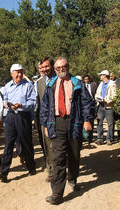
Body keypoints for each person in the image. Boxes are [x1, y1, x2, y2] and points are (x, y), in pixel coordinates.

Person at [40, 57, 94, 205]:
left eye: (63, 67)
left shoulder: (78, 84)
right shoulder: (51, 85)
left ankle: (72, 178)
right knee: (58, 158)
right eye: (57, 68)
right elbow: (45, 106)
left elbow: (87, 103)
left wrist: (88, 120)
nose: (60, 70)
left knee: (74, 155)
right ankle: (57, 193)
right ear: (55, 70)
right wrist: (45, 124)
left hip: (75, 122)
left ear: (68, 67)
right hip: (57, 123)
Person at [0, 64, 36, 182]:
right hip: (10, 117)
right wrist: (6, 103)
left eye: (21, 72)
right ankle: (4, 172)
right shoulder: (8, 86)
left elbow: (33, 103)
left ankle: (31, 167)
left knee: (26, 143)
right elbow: (5, 99)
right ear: (11, 74)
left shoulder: (28, 86)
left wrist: (22, 105)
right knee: (8, 144)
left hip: (23, 116)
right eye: (17, 72)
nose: (19, 74)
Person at [35, 57, 56, 183]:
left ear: (52, 66)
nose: (44, 69)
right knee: (47, 145)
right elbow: (38, 102)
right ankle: (51, 170)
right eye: (42, 67)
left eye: (46, 66)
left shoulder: (60, 79)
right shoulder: (40, 83)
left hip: (60, 118)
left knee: (60, 145)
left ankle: (64, 166)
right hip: (45, 119)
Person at [95, 70, 117, 145]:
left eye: (101, 75)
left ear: (104, 75)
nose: (100, 76)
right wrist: (97, 98)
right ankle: (100, 138)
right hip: (100, 106)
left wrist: (106, 100)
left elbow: (114, 96)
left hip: (108, 106)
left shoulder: (112, 84)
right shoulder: (100, 84)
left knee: (110, 124)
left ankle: (109, 139)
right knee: (99, 122)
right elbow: (97, 93)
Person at [83, 75, 98, 144]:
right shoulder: (82, 85)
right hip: (84, 104)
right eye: (85, 79)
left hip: (92, 103)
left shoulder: (93, 85)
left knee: (91, 120)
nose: (86, 80)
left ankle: (90, 137)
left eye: (87, 79)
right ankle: (85, 137)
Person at [110, 72, 120, 139]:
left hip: (119, 104)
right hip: (111, 104)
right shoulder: (108, 83)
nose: (111, 77)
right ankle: (111, 136)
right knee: (111, 121)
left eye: (112, 76)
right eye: (110, 76)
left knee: (119, 121)